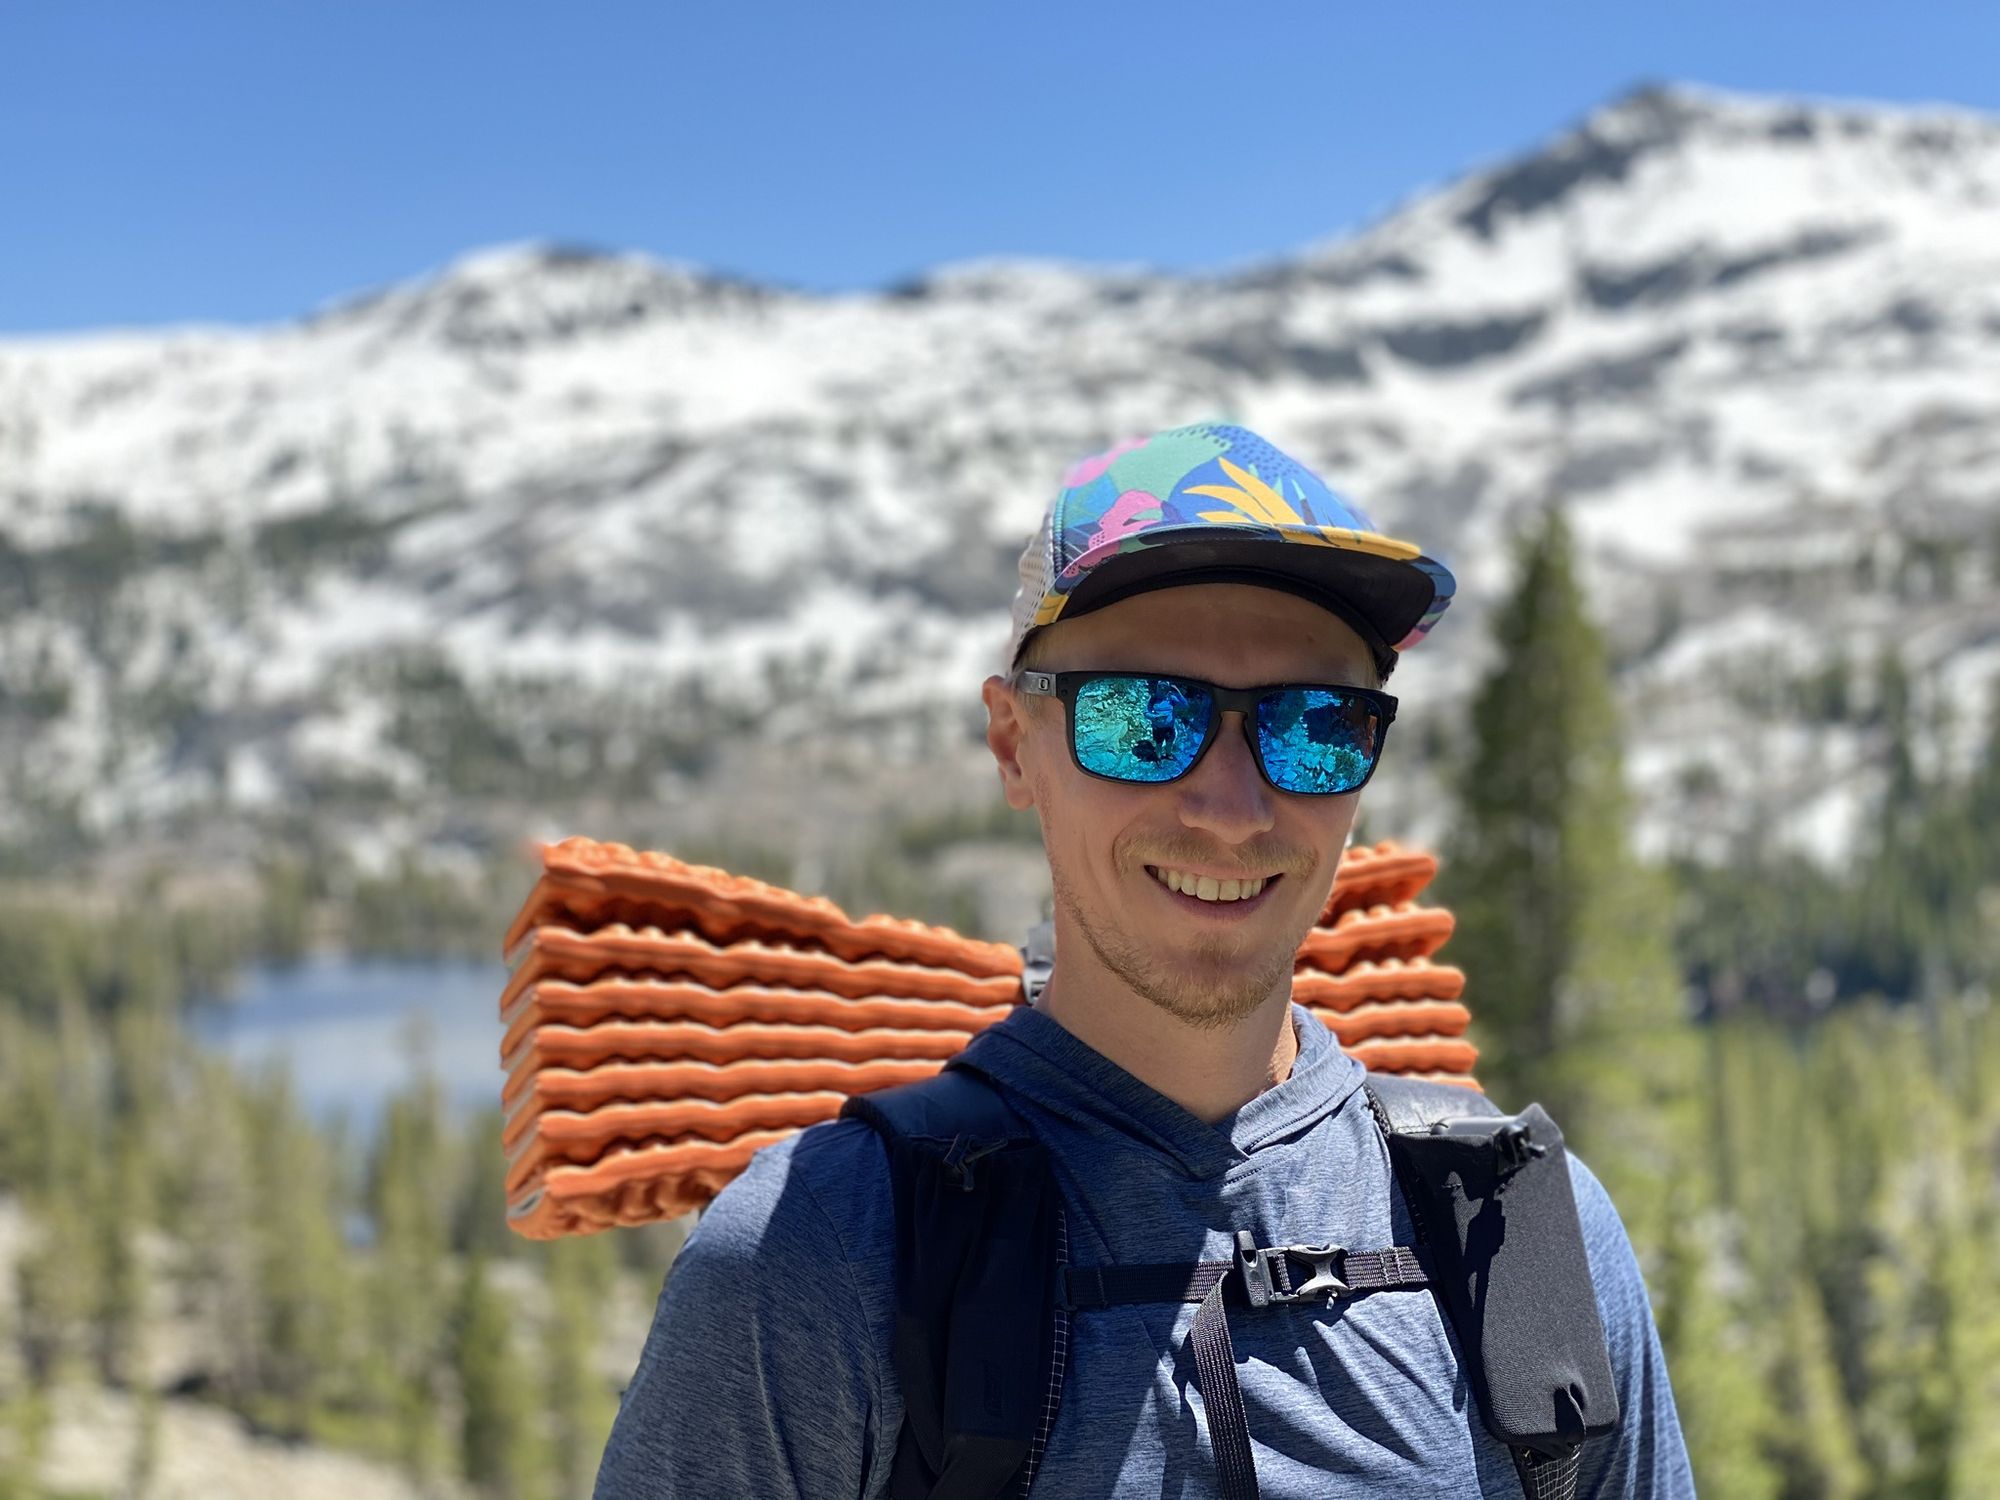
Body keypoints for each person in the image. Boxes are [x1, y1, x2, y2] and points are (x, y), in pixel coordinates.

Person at [592, 423, 1695, 1498]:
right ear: (1013, 744)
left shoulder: (1521, 1239)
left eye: (1314, 725)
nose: (1231, 808)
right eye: (1141, 718)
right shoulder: (822, 1264)